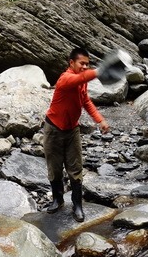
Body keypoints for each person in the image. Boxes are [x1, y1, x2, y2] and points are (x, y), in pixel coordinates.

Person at [43, 47, 128, 222]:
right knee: (55, 167)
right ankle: (57, 200)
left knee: (75, 168)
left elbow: (85, 100)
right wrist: (100, 70)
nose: (85, 67)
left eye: (88, 64)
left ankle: (77, 205)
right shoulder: (65, 79)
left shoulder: (82, 82)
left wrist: (100, 120)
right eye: (82, 63)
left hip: (72, 129)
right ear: (71, 63)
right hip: (53, 129)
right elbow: (80, 77)